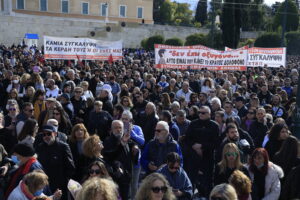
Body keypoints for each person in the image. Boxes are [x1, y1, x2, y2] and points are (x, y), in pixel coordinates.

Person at [184, 106, 219, 197]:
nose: (201, 114)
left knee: (207, 182)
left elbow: (215, 143)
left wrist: (202, 146)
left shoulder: (214, 126)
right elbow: (187, 139)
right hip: (193, 157)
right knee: (191, 180)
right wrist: (195, 147)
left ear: (209, 114)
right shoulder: (193, 124)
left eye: (203, 113)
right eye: (199, 112)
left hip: (208, 157)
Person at [35, 125, 75, 200]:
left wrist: (63, 183)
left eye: (49, 134)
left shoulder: (63, 147)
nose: (46, 136)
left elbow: (70, 167)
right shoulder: (40, 147)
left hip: (60, 187)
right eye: (44, 134)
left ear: (55, 134)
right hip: (44, 185)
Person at [103, 120, 138, 200]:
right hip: (115, 177)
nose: (118, 130)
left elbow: (132, 143)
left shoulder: (126, 138)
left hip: (127, 176)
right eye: (116, 128)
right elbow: (110, 156)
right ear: (111, 129)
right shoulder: (108, 141)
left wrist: (135, 147)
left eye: (120, 128)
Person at [121, 110, 145, 198]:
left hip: (135, 162)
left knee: (134, 185)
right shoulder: (119, 128)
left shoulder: (137, 128)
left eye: (126, 119)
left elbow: (142, 142)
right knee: (125, 185)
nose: (124, 121)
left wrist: (132, 133)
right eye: (122, 119)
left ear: (131, 120)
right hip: (123, 161)